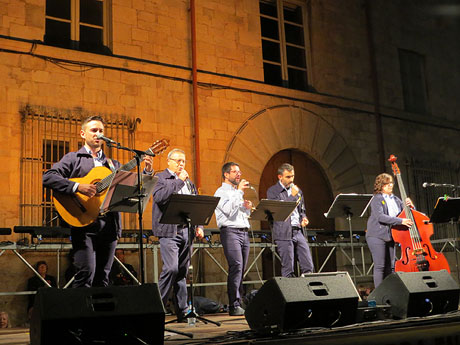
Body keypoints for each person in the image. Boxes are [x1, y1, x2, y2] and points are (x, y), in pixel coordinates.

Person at [43, 115, 154, 288]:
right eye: (94, 130)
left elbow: (131, 187)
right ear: (82, 133)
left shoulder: (112, 164)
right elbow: (48, 177)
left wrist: (147, 171)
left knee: (103, 276)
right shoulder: (74, 158)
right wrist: (77, 187)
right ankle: (81, 314)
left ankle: (101, 315)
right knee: (85, 273)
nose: (98, 134)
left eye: (101, 131)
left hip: (109, 225)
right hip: (83, 224)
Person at [151, 148, 203, 320]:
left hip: (186, 231)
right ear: (169, 161)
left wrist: (199, 226)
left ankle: (182, 310)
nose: (181, 164)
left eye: (183, 161)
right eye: (178, 161)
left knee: (182, 271)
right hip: (168, 231)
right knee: (171, 268)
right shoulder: (161, 177)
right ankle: (157, 307)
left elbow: (195, 203)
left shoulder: (189, 182)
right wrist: (179, 182)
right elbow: (159, 198)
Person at [214, 162, 252, 316]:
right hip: (230, 232)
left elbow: (239, 214)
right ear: (226, 174)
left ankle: (240, 301)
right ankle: (233, 305)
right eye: (235, 172)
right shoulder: (221, 192)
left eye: (239, 171)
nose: (238, 174)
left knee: (241, 268)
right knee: (236, 265)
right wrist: (240, 193)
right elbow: (229, 211)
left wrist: (246, 208)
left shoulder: (236, 193)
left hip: (243, 232)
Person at [366, 173, 413, 288]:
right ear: (380, 186)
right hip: (376, 235)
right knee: (380, 266)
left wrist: (411, 206)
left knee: (391, 267)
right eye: (386, 183)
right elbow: (380, 217)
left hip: (391, 235)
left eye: (391, 183)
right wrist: (400, 221)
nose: (390, 185)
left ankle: (390, 293)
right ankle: (379, 295)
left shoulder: (396, 200)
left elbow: (408, 215)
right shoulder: (377, 199)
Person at [267, 163, 314, 277]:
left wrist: (304, 218)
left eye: (293, 176)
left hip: (298, 231)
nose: (291, 179)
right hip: (283, 232)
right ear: (280, 177)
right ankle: (291, 293)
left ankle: (307, 292)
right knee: (288, 268)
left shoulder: (298, 190)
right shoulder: (273, 191)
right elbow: (280, 210)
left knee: (308, 265)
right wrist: (292, 196)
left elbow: (302, 210)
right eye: (288, 177)